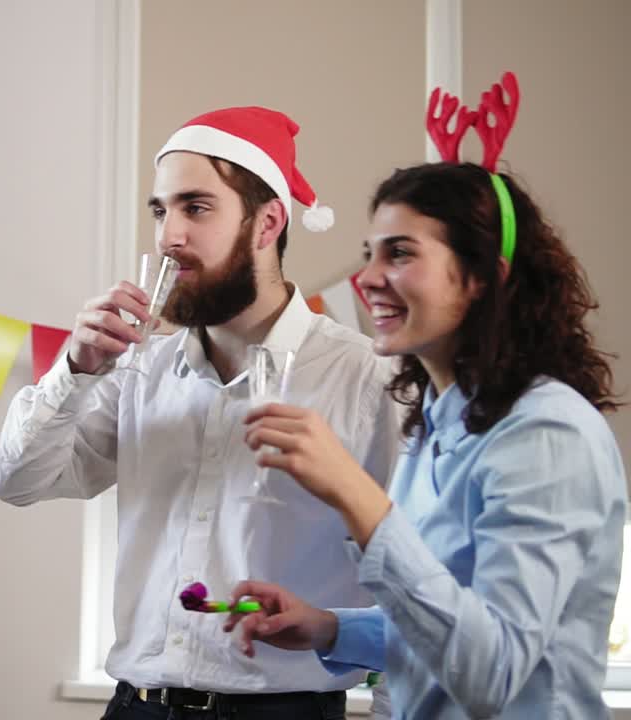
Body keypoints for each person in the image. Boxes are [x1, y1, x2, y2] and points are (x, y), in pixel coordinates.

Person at [230, 81, 626, 718]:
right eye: (370, 254)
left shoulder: (548, 433)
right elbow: (444, 625)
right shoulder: (435, 425)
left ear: (483, 277)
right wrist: (328, 627)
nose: (367, 278)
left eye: (401, 254)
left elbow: (492, 672)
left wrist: (356, 495)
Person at [0, 106, 401, 719]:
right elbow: (18, 481)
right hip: (135, 707)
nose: (168, 237)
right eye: (161, 210)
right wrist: (73, 371)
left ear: (267, 223)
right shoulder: (137, 368)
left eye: (196, 208)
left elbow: (411, 590)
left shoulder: (367, 379)